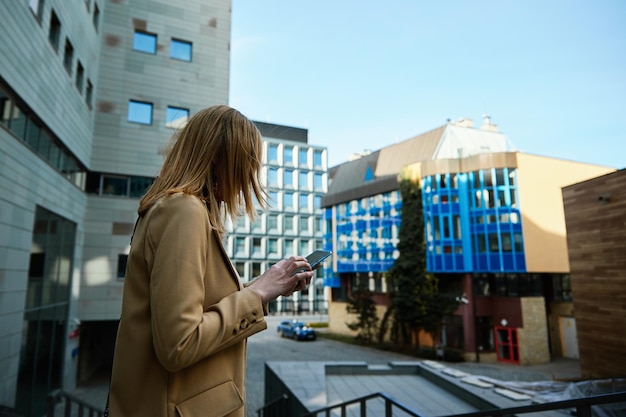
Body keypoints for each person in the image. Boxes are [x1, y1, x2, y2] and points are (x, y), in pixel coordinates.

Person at [107, 105, 316, 417]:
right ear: (221, 159)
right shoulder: (184, 212)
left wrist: (269, 286)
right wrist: (256, 295)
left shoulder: (174, 208)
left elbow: (199, 306)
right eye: (246, 163)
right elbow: (180, 343)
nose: (249, 176)